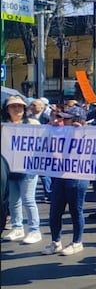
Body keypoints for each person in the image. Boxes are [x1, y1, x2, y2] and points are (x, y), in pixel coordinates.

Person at [42, 108, 90, 256]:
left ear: (76, 120)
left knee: (76, 210)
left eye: (66, 119)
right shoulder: (60, 132)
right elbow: (51, 152)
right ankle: (56, 242)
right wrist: (52, 134)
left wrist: (81, 134)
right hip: (59, 175)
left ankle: (77, 242)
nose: (62, 121)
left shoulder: (88, 133)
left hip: (77, 176)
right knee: (55, 211)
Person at [1, 95, 43, 244]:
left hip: (28, 168)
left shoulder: (32, 123)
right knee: (13, 201)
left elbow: (43, 140)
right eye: (13, 106)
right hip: (9, 169)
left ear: (24, 109)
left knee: (28, 199)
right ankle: (17, 227)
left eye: (19, 106)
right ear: (7, 109)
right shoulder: (4, 125)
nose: (17, 108)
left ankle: (34, 230)